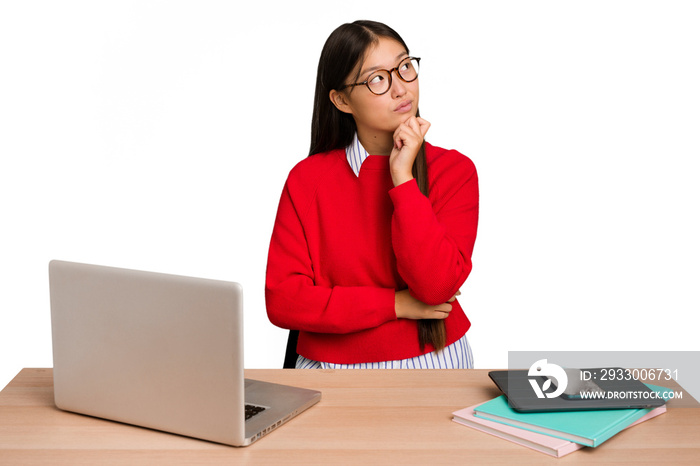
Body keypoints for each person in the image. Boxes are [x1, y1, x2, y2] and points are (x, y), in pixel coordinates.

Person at [265, 20, 479, 369]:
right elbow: (285, 301)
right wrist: (395, 305)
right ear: (341, 100)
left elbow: (435, 287)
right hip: (327, 370)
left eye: (405, 67)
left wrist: (402, 178)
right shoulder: (307, 180)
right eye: (378, 78)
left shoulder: (453, 170)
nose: (400, 88)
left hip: (435, 363)